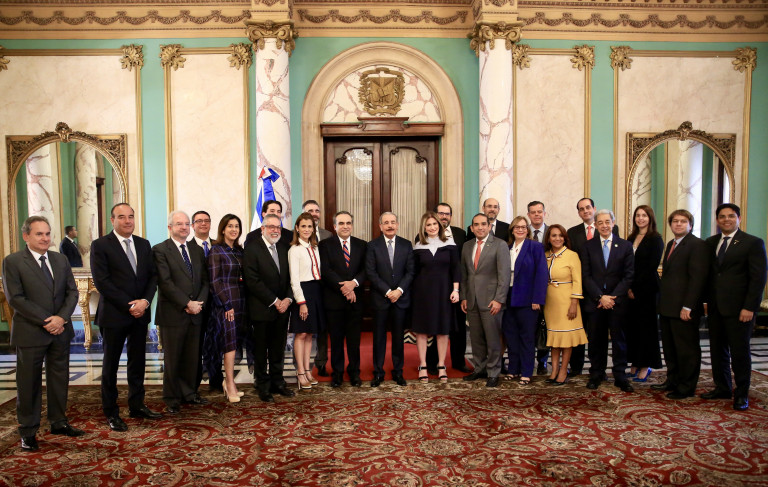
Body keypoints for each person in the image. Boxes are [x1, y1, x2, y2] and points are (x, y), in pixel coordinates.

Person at [2, 216, 83, 451]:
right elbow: (16, 298)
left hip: (61, 330)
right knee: (29, 383)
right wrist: (48, 321)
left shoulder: (60, 259)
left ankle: (59, 422)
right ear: (26, 236)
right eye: (39, 234)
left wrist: (62, 318)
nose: (45, 238)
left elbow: (72, 292)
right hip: (31, 332)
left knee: (59, 379)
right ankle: (28, 431)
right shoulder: (13, 261)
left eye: (47, 233)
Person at [91, 203, 161, 432]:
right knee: (110, 366)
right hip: (114, 315)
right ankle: (111, 412)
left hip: (140, 314)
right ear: (113, 220)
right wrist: (129, 305)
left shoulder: (143, 244)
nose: (128, 221)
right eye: (122, 217)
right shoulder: (101, 245)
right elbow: (102, 282)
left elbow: (152, 277)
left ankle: (137, 405)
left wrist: (145, 302)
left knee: (137, 362)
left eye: (131, 216)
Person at [701, 203, 767, 411]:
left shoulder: (752, 243)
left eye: (731, 216)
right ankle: (722, 387)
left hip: (740, 309)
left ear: (739, 218)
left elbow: (758, 279)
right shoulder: (711, 242)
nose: (726, 219)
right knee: (717, 351)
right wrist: (705, 301)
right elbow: (709, 275)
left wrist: (750, 307)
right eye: (722, 216)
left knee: (739, 353)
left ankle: (741, 394)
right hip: (715, 307)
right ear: (717, 220)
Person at [152, 211, 209, 414]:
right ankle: (172, 397)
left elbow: (205, 280)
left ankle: (190, 393)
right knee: (173, 358)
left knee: (192, 357)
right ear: (170, 228)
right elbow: (165, 283)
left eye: (186, 224)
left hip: (196, 313)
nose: (184, 227)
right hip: (173, 313)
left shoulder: (196, 249)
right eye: (179, 224)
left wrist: (198, 303)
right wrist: (187, 303)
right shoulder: (160, 250)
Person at [652, 209, 709, 400]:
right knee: (671, 348)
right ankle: (673, 380)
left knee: (686, 350)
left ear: (690, 225)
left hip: (685, 309)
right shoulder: (671, 244)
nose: (678, 224)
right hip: (668, 307)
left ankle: (686, 387)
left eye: (683, 221)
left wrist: (688, 306)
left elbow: (697, 279)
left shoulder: (697, 245)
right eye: (675, 221)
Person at [581, 209, 635, 393]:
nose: (604, 225)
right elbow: (586, 276)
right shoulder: (588, 246)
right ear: (595, 225)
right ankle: (596, 373)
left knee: (619, 340)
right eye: (600, 222)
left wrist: (612, 297)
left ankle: (620, 376)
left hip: (617, 302)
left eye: (607, 222)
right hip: (595, 301)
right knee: (596, 340)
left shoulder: (625, 246)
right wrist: (600, 297)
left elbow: (628, 276)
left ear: (613, 223)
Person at [243, 213, 295, 402]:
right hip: (262, 308)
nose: (275, 230)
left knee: (278, 348)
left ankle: (277, 382)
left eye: (278, 227)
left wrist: (287, 299)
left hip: (283, 309)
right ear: (262, 228)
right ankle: (263, 385)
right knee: (260, 350)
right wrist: (274, 301)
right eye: (271, 227)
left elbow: (291, 277)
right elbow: (252, 280)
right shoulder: (252, 249)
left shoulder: (284, 247)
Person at [566, 197, 619, 375]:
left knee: (601, 334)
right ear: (578, 213)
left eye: (588, 207)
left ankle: (600, 369)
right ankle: (576, 366)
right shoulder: (572, 232)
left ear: (594, 209)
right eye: (581, 209)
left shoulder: (611, 229)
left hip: (606, 292)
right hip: (582, 288)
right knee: (579, 328)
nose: (585, 211)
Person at [461, 213, 512, 388]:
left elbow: (504, 275)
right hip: (472, 301)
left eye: (484, 224)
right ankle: (480, 369)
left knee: (493, 340)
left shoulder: (500, 245)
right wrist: (464, 297)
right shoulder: (467, 246)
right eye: (476, 224)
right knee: (476, 339)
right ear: (472, 228)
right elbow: (465, 275)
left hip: (491, 301)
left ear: (489, 226)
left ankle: (493, 372)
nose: (480, 227)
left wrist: (499, 299)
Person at [319, 211, 367, 388]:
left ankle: (354, 372)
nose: (345, 226)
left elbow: (366, 269)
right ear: (335, 226)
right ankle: (337, 373)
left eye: (348, 223)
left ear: (352, 225)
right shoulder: (325, 245)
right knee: (336, 340)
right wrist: (345, 288)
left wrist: (353, 283)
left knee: (354, 341)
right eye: (341, 223)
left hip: (355, 301)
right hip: (334, 301)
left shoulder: (362, 245)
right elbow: (326, 270)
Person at [366, 212, 414, 387]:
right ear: (380, 226)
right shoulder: (372, 246)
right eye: (386, 223)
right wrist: (388, 291)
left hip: (400, 299)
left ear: (397, 224)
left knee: (398, 338)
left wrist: (399, 291)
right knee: (379, 338)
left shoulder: (406, 245)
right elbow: (371, 273)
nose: (390, 225)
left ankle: (398, 372)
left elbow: (411, 271)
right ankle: (378, 372)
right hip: (381, 299)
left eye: (393, 222)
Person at [411, 211, 460, 383]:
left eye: (434, 224)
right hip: (422, 294)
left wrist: (456, 290)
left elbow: (456, 269)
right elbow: (413, 272)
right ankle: (423, 365)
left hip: (444, 293)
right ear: (423, 228)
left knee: (442, 330)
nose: (432, 227)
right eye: (428, 225)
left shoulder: (450, 244)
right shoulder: (418, 247)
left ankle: (441, 365)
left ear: (439, 226)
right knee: (422, 330)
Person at [204, 214, 249, 403]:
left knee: (235, 341)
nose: (234, 229)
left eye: (237, 226)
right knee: (228, 344)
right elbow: (214, 281)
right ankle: (229, 383)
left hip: (240, 301)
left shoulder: (239, 251)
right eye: (230, 226)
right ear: (223, 229)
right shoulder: (216, 250)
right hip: (225, 303)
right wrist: (226, 304)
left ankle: (230, 382)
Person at [424, 202, 471, 373]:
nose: (444, 217)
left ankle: (459, 361)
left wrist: (460, 290)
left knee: (458, 327)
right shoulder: (424, 235)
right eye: (441, 213)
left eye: (447, 214)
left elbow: (462, 263)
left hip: (457, 288)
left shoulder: (460, 234)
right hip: (436, 289)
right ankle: (433, 362)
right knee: (436, 326)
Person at [502, 216, 548, 386]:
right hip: (508, 298)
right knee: (511, 336)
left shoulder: (535, 247)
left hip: (528, 299)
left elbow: (542, 274)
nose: (520, 230)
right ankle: (513, 369)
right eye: (517, 227)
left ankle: (527, 371)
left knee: (527, 337)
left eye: (523, 227)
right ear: (512, 230)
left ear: (527, 230)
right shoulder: (506, 248)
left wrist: (537, 299)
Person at [542, 224, 588, 385]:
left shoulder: (572, 255)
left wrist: (574, 303)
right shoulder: (545, 255)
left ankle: (563, 370)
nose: (557, 238)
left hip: (567, 301)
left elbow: (578, 281)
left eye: (560, 235)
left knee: (566, 339)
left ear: (565, 238)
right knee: (555, 338)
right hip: (550, 303)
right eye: (554, 235)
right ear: (548, 238)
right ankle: (554, 370)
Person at [625, 205, 664, 382]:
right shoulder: (631, 238)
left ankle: (645, 365)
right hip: (630, 289)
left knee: (646, 329)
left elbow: (650, 267)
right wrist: (628, 287)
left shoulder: (655, 239)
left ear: (650, 218)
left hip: (647, 290)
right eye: (638, 215)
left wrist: (635, 288)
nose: (640, 218)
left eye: (644, 215)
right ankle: (635, 362)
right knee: (633, 328)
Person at [288, 212, 326, 390]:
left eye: (310, 226)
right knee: (301, 333)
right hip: (303, 293)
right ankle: (300, 372)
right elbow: (294, 280)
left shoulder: (315, 248)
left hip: (316, 291)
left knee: (310, 333)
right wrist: (301, 302)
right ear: (297, 228)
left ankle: (308, 370)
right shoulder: (294, 250)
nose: (306, 229)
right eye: (303, 226)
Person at [302, 199, 334, 378]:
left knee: (323, 328)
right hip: (307, 288)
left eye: (316, 211)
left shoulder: (328, 235)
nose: (314, 214)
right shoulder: (297, 235)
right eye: (310, 211)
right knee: (304, 330)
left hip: (326, 288)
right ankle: (302, 367)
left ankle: (321, 363)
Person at [187, 210, 214, 391]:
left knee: (216, 343)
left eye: (206, 220)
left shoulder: (218, 245)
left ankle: (216, 379)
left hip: (218, 303)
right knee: (195, 346)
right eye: (199, 221)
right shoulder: (186, 247)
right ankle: (194, 383)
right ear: (192, 225)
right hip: (195, 304)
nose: (203, 224)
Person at [527, 201, 549, 376]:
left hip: (548, 286)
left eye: (539, 212)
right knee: (528, 327)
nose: (536, 215)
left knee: (544, 325)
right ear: (528, 215)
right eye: (533, 212)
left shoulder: (552, 233)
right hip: (526, 288)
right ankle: (526, 359)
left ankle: (542, 361)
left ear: (544, 213)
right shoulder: (523, 232)